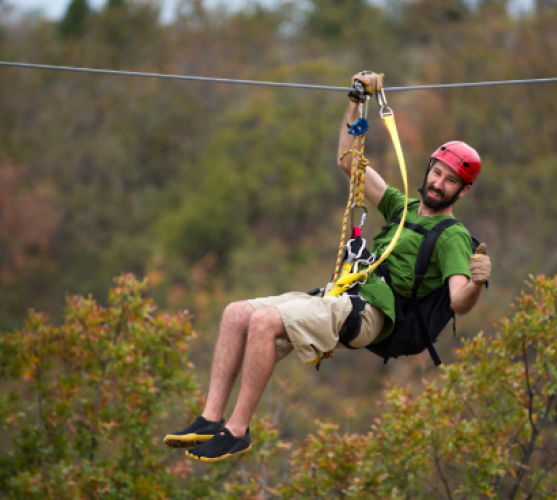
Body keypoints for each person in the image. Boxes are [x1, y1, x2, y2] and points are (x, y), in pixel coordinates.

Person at [162, 71, 492, 463]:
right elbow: (348, 161)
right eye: (437, 172)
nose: (438, 183)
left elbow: (458, 301)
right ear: (429, 168)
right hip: (344, 294)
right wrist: (355, 100)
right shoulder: (401, 207)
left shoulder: (452, 235)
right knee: (236, 314)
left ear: (463, 190)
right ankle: (209, 419)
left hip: (374, 313)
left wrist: (476, 281)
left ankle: (237, 431)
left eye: (450, 180)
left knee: (265, 322)